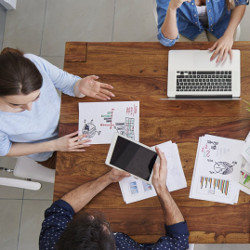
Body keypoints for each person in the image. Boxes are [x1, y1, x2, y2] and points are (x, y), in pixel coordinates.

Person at [39, 147, 190, 249]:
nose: (92, 217)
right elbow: (179, 240)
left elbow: (61, 208)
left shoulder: (52, 242)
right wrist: (161, 189)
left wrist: (108, 178)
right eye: (103, 229)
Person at [0, 48, 115, 167]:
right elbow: (7, 149)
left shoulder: (33, 63)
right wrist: (55, 145)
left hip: (68, 122)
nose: (30, 108)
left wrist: (79, 86)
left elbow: (67, 83)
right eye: (16, 105)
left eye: (36, 97)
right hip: (49, 151)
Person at [156, 0, 248, 63]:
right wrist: (172, 8)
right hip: (186, 28)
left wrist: (228, 35)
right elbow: (166, 41)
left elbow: (240, 2)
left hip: (221, 26)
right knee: (195, 65)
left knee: (221, 67)